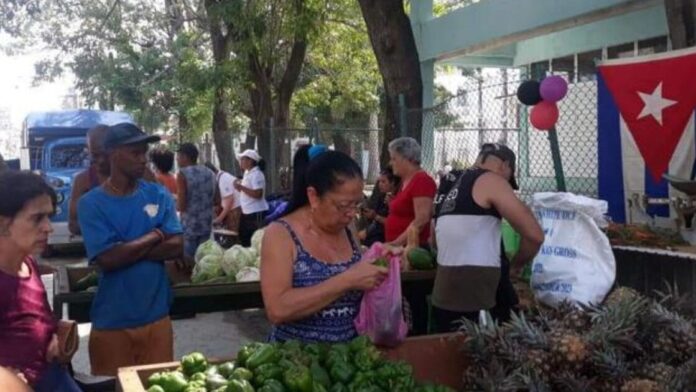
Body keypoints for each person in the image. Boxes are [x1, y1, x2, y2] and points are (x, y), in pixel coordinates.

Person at [78, 123, 183, 376]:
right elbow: (107, 260)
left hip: (158, 318)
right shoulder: (91, 203)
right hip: (112, 324)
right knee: (114, 386)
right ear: (114, 154)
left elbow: (177, 245)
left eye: (144, 152)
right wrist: (157, 234)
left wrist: (124, 249)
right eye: (135, 153)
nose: (143, 159)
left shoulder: (158, 194)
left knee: (158, 385)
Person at [261, 145, 388, 343]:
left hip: (349, 364)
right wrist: (346, 281)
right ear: (313, 196)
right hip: (295, 366)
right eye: (344, 205)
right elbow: (277, 309)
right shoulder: (280, 234)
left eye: (356, 204)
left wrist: (381, 258)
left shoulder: (348, 227)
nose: (351, 213)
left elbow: (360, 276)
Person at [431, 143, 544, 332]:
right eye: (509, 178)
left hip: (443, 292)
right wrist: (517, 265)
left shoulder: (450, 184)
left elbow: (433, 240)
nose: (508, 185)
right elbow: (535, 235)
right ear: (504, 165)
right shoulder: (492, 180)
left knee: (452, 357)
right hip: (478, 297)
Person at [0, 170, 82, 392]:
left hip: (53, 376)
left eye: (49, 216)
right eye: (37, 218)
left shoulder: (28, 264)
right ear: (3, 224)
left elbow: (40, 317)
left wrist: (54, 335)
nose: (49, 227)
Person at [384, 137, 437, 248]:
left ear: (406, 158)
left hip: (412, 250)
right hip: (400, 248)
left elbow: (422, 219)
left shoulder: (422, 180)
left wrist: (396, 243)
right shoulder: (405, 181)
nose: (390, 163)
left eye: (394, 159)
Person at [176, 143, 215, 259]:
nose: (177, 159)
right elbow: (217, 199)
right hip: (206, 224)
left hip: (190, 226)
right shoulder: (210, 172)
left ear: (185, 157)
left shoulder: (182, 174)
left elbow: (181, 206)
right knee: (203, 261)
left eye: (178, 156)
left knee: (189, 262)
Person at [68, 125, 109, 235]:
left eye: (106, 154)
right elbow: (73, 225)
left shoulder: (136, 175)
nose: (101, 160)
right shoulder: (83, 181)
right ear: (88, 150)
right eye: (95, 155)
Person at [235, 149, 269, 246]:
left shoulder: (257, 174)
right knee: (243, 236)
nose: (240, 162)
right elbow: (247, 191)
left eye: (243, 159)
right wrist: (239, 187)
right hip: (247, 211)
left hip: (255, 212)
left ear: (250, 161)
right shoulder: (247, 173)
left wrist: (241, 187)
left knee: (254, 240)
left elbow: (258, 194)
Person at [360, 168, 400, 247]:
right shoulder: (382, 196)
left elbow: (392, 222)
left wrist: (375, 216)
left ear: (393, 183)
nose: (380, 184)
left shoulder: (396, 200)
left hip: (385, 237)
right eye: (379, 181)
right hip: (375, 231)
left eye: (383, 181)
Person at [205, 162, 242, 233]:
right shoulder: (219, 178)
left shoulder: (223, 180)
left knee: (232, 234)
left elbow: (230, 200)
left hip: (235, 210)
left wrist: (219, 218)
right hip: (231, 210)